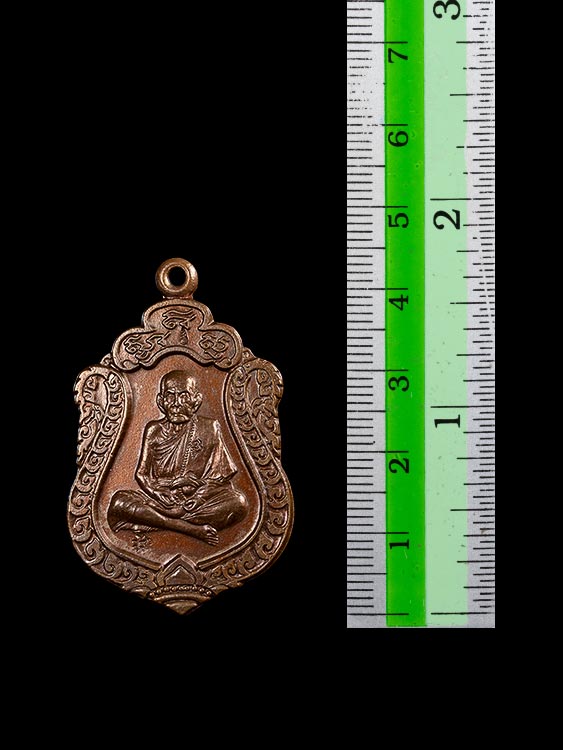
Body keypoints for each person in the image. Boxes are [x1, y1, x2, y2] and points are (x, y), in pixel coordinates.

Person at [108, 370, 248, 546]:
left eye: (184, 396)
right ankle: (188, 528)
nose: (176, 403)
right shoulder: (154, 430)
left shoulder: (209, 427)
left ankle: (155, 521)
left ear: (196, 400)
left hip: (194, 500)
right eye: (170, 396)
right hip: (161, 499)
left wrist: (197, 497)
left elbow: (220, 477)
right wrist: (156, 492)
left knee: (239, 502)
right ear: (161, 401)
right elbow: (142, 474)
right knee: (119, 501)